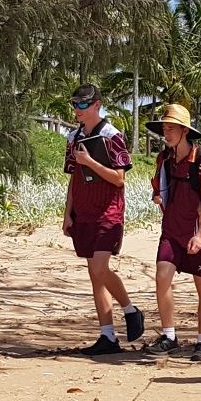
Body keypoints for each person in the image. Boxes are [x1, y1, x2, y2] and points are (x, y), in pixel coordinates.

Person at [62, 83, 145, 355]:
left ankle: (131, 310)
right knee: (94, 275)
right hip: (83, 211)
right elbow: (73, 178)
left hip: (108, 210)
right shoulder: (72, 137)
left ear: (97, 104)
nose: (78, 110)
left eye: (83, 105)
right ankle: (107, 335)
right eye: (75, 104)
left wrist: (91, 163)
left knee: (100, 268)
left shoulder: (112, 136)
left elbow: (119, 178)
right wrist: (67, 213)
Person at [145, 103, 201, 363]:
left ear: (184, 131)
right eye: (164, 129)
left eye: (171, 128)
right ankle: (169, 336)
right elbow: (160, 191)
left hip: (198, 232)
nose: (166, 134)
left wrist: (199, 235)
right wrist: (158, 197)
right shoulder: (164, 160)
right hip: (171, 230)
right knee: (161, 277)